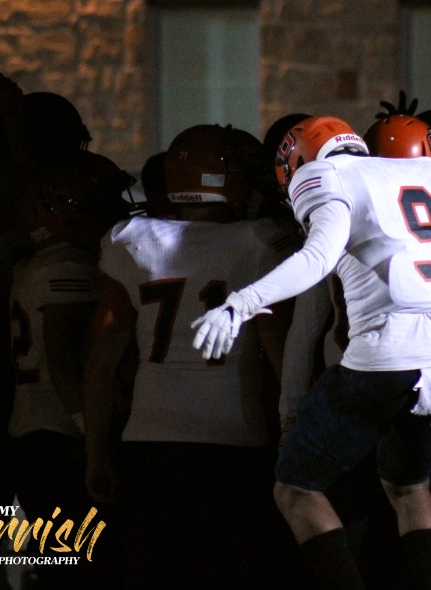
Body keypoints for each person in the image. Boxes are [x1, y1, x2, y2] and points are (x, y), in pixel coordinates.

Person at [190, 115, 431, 590]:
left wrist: (242, 302)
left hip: (382, 361)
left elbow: (317, 258)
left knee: (295, 488)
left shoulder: (330, 178)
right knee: (411, 487)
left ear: (299, 163)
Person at [83, 124, 300, 589]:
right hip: (233, 438)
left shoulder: (132, 240)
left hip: (149, 440)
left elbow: (102, 361)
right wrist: (296, 430)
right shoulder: (260, 241)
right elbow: (279, 350)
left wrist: (96, 451)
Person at [7, 150, 134, 590]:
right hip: (59, 431)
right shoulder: (69, 265)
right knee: (81, 568)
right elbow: (62, 361)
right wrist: (90, 433)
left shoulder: (37, 264)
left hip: (36, 426)